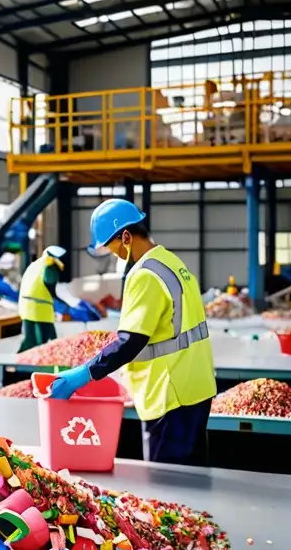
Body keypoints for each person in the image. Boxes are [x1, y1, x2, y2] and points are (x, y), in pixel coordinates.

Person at [48, 199, 215, 465]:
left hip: (169, 393)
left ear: (126, 236)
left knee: (169, 490)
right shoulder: (170, 261)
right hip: (195, 386)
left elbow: (131, 341)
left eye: (112, 247)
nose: (114, 254)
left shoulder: (145, 274)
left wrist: (86, 373)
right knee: (191, 481)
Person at [17, 245, 66, 352]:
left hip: (26, 308)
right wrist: (62, 303)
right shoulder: (49, 266)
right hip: (40, 310)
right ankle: (48, 366)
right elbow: (50, 283)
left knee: (29, 340)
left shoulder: (34, 265)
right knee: (48, 343)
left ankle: (18, 365)